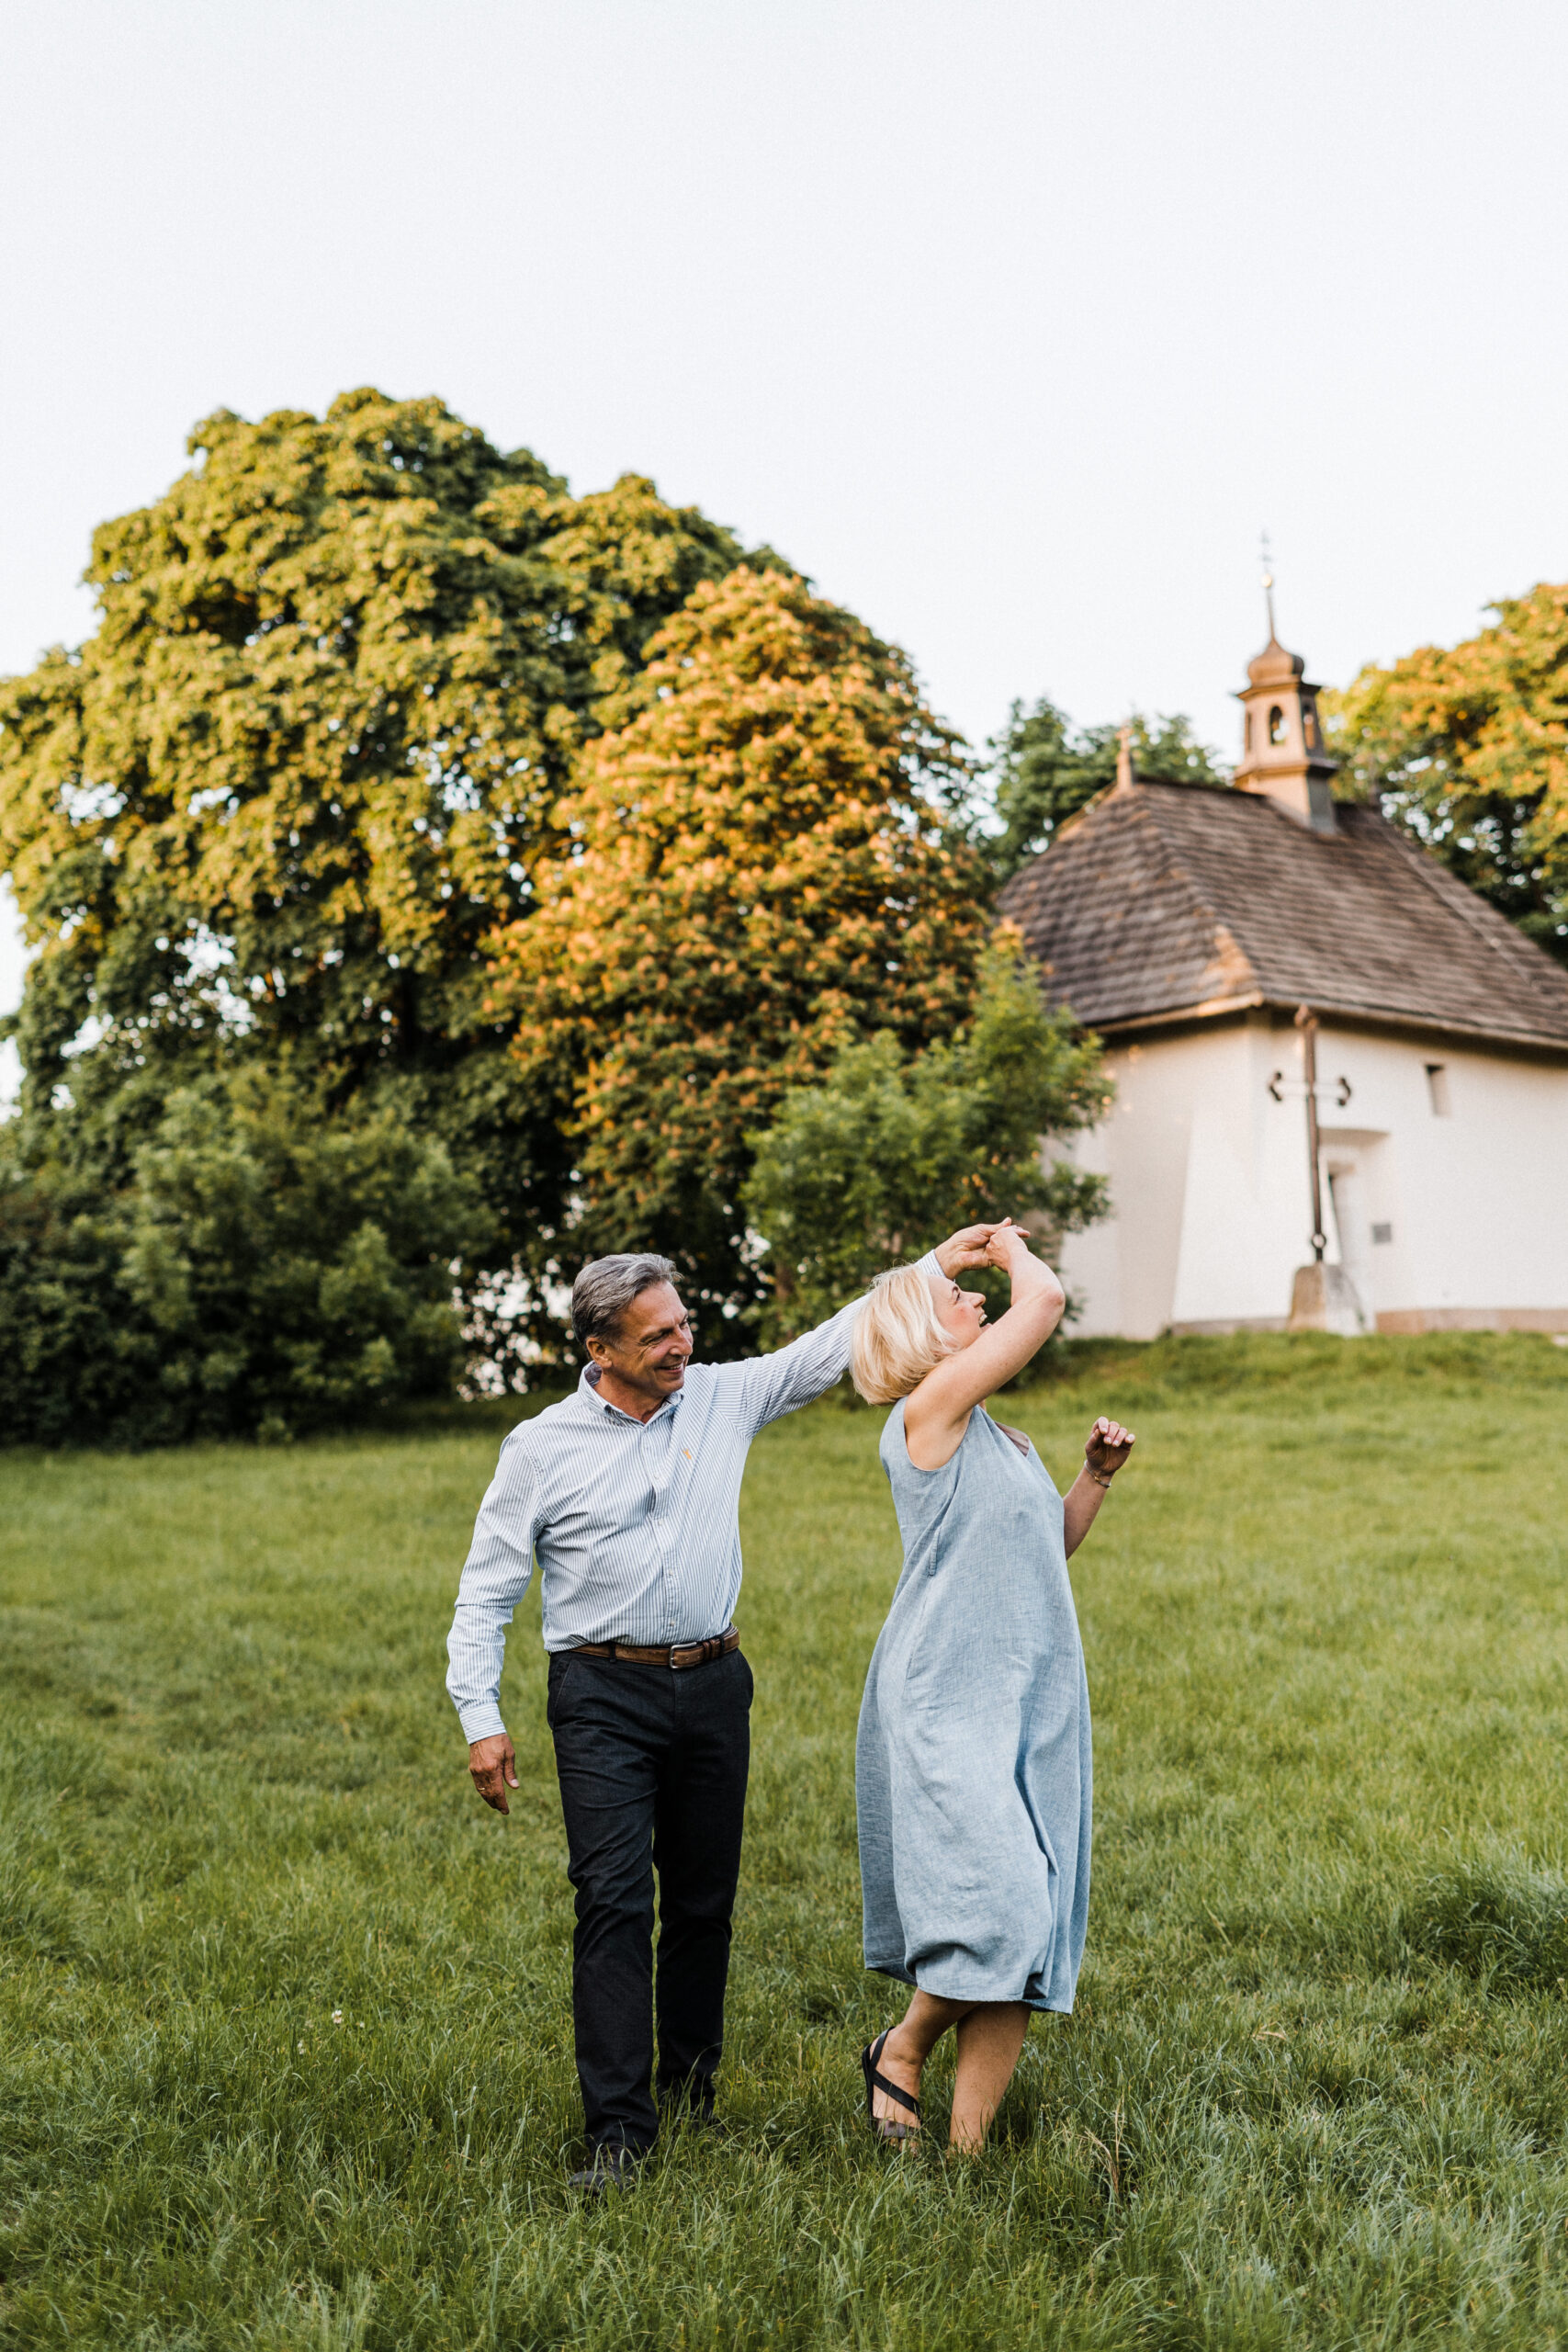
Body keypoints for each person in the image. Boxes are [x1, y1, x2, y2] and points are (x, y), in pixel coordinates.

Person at [446, 1225, 1003, 2191]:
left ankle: (691, 2093)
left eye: (684, 1323)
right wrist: (479, 1716)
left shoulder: (723, 1395)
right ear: (602, 1350)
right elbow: (487, 1586)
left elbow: (825, 1347)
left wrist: (933, 1269)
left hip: (712, 1685)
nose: (681, 1344)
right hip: (599, 1693)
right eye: (656, 1335)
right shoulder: (540, 1448)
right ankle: (621, 2135)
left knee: (704, 1908)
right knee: (614, 1903)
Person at [851, 1220, 1134, 2152]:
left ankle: (967, 2155)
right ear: (923, 1337)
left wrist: (1092, 1478)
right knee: (1006, 1902)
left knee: (1028, 1915)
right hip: (944, 1695)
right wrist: (1007, 1250)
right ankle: (903, 2046)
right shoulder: (926, 1413)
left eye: (974, 1291)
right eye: (956, 1298)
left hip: (1020, 1692)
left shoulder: (995, 1434)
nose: (975, 1300)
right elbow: (1044, 1301)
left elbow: (1039, 1551)